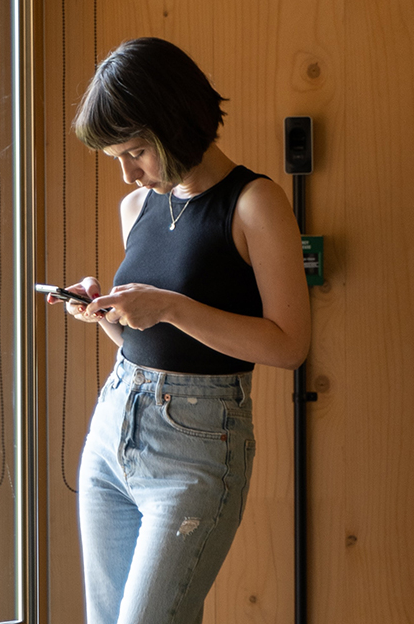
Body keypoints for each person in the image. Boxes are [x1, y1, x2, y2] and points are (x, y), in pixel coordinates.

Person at [52, 37, 311, 624]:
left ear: (175, 124)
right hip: (113, 427)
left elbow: (289, 345)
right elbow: (156, 342)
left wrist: (168, 306)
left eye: (136, 151)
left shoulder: (255, 203)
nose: (127, 173)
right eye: (116, 157)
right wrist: (110, 315)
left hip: (196, 448)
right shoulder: (137, 206)